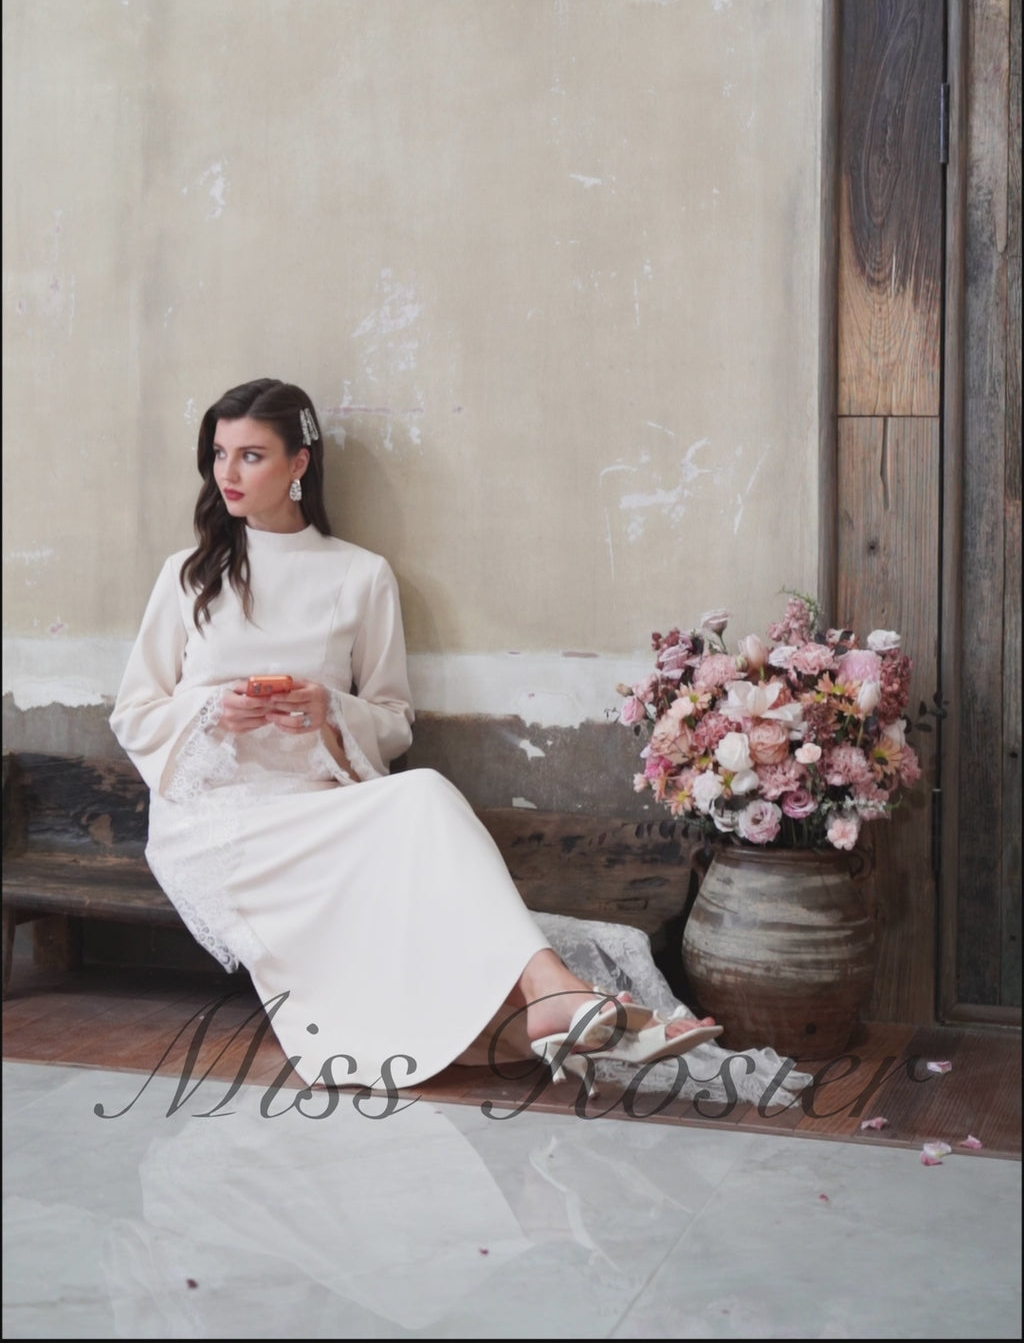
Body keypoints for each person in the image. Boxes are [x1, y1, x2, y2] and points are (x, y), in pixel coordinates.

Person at [111, 377, 720, 1092]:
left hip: (323, 807)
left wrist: (328, 709)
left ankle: (560, 1009)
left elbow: (393, 719)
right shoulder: (187, 576)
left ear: (299, 463)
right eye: (220, 454)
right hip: (218, 821)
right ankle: (559, 993)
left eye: (251, 455)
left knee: (423, 798)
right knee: (422, 816)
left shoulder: (360, 576)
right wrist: (212, 712)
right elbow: (134, 712)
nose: (228, 473)